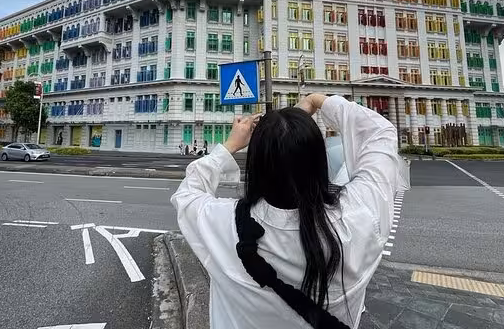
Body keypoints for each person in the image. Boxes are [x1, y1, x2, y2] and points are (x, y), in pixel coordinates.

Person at [171, 94, 400, 328]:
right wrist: (317, 101)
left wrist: (231, 145)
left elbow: (187, 194)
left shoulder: (224, 225)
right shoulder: (360, 215)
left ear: (256, 164)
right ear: (319, 160)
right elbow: (380, 132)